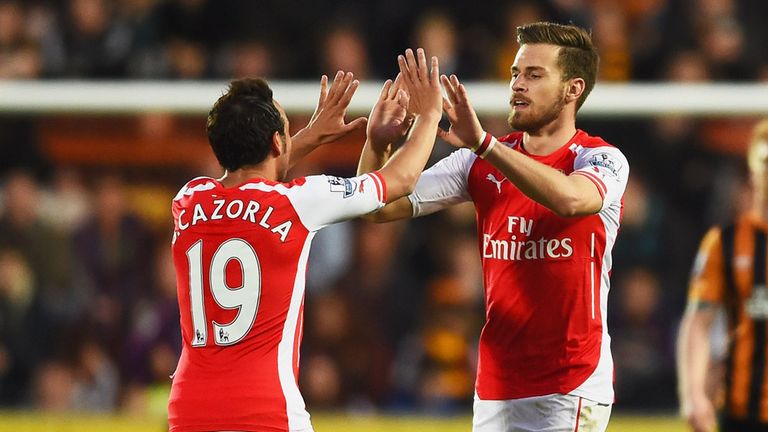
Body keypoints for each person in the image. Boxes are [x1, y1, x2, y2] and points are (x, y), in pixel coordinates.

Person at [358, 22, 629, 431]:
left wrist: (486, 144)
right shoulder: (478, 162)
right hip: (497, 385)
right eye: (515, 74)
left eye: (535, 75)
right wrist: (377, 144)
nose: (518, 85)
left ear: (573, 89)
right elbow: (376, 208)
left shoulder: (599, 159)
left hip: (571, 384)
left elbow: (572, 200)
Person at [167, 48, 443, 432]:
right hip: (266, 411)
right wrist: (429, 114)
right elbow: (400, 181)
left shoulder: (188, 200)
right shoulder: (297, 202)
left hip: (189, 410)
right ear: (279, 143)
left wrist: (310, 135)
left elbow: (253, 177)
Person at [678, 118, 768, 432]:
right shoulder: (724, 243)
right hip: (742, 410)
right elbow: (698, 322)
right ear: (753, 173)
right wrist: (694, 394)